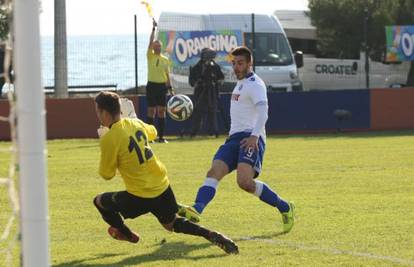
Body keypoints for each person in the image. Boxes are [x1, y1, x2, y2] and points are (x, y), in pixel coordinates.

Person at [92, 91, 239, 255]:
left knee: (99, 201)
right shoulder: (134, 124)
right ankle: (211, 234)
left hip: (139, 194)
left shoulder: (109, 138)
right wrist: (133, 119)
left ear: (104, 112)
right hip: (162, 184)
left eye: (97, 111)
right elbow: (153, 132)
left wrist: (106, 142)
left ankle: (125, 233)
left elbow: (107, 174)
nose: (97, 114)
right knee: (171, 223)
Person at [178, 46, 295, 233]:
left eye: (240, 63)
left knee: (245, 183)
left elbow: (264, 113)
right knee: (214, 171)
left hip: (251, 137)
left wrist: (254, 137)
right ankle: (197, 208)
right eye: (234, 63)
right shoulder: (240, 84)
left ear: (250, 63)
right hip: (234, 138)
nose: (236, 67)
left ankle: (285, 207)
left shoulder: (255, 84)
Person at [146, 19, 173, 143]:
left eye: (158, 46)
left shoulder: (165, 60)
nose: (156, 47)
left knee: (162, 111)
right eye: (155, 46)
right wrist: (153, 29)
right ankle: (150, 138)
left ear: (161, 47)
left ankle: (161, 137)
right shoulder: (150, 56)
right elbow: (150, 41)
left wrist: (170, 88)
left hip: (161, 87)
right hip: (151, 86)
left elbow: (167, 75)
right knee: (151, 111)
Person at [189, 48, 224, 137]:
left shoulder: (215, 66)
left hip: (212, 92)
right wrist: (198, 81)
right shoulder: (196, 67)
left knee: (212, 112)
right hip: (200, 93)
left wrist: (216, 82)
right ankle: (194, 132)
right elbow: (192, 82)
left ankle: (213, 132)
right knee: (198, 113)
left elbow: (221, 78)